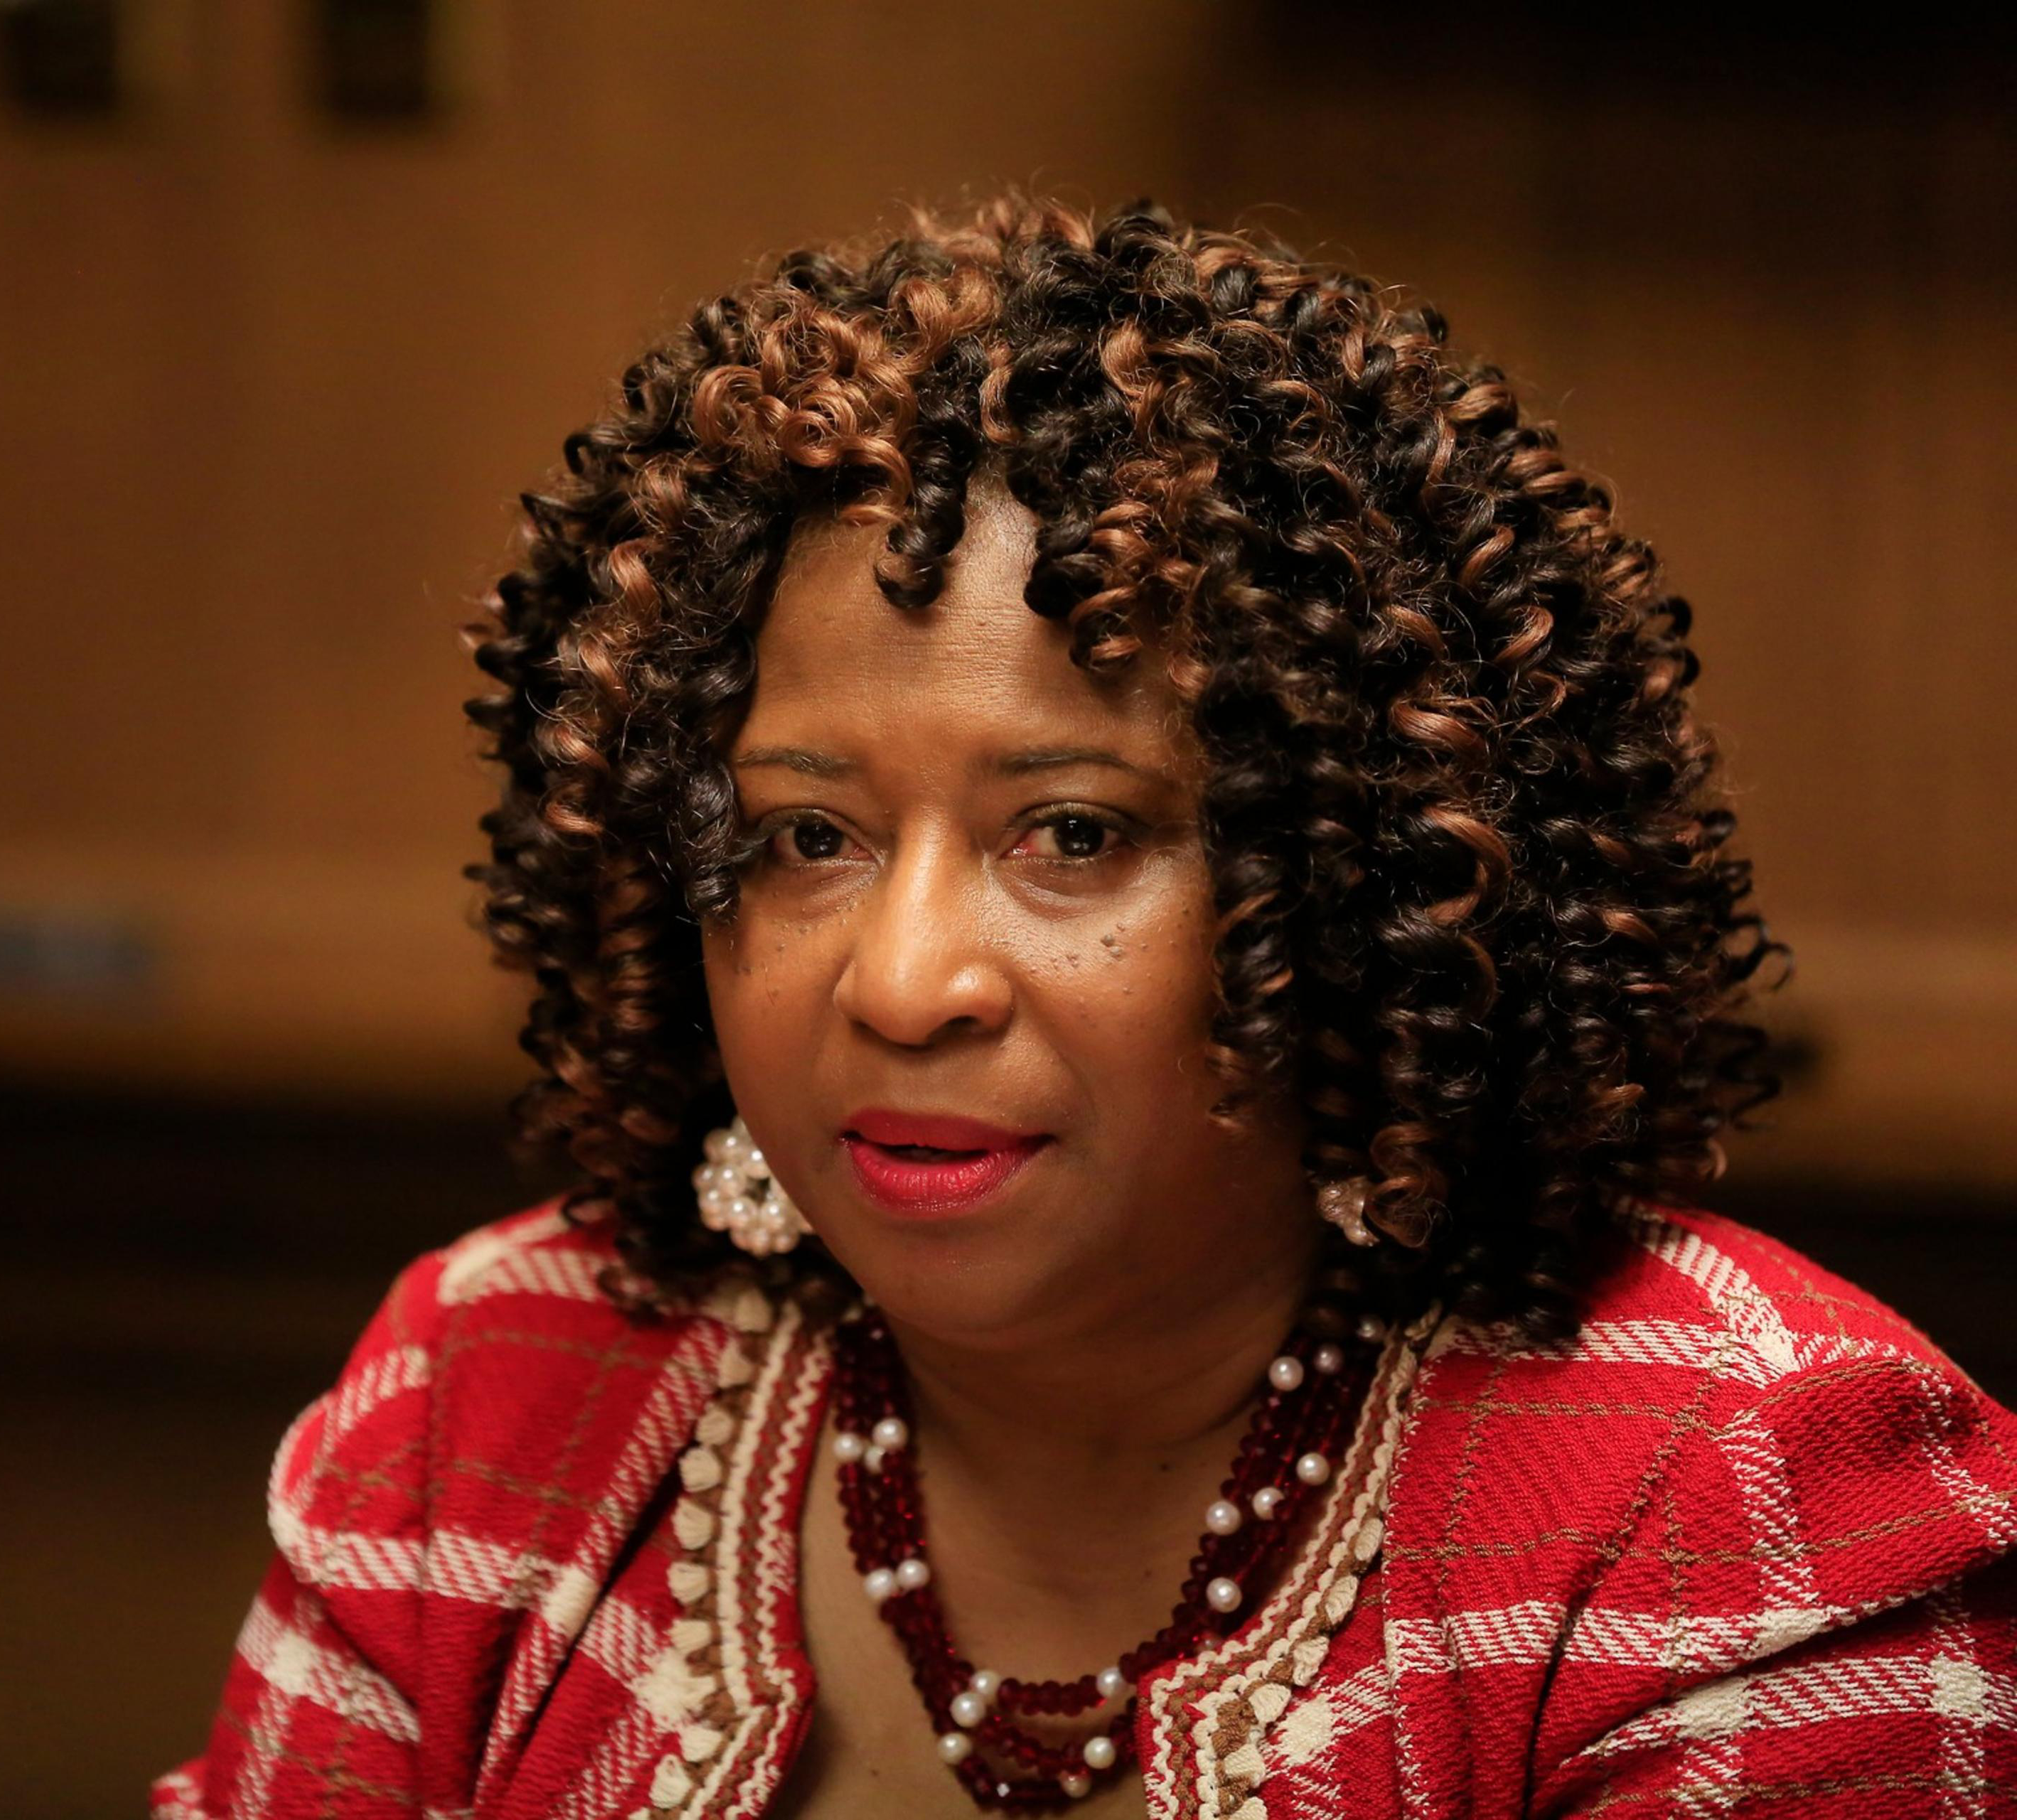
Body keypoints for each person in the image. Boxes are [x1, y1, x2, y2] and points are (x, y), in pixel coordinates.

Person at [154, 196, 2017, 1819]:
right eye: (806, 837)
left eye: (1071, 834)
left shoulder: (1739, 1494)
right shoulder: (491, 1393)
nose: (903, 983)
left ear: (1361, 884)